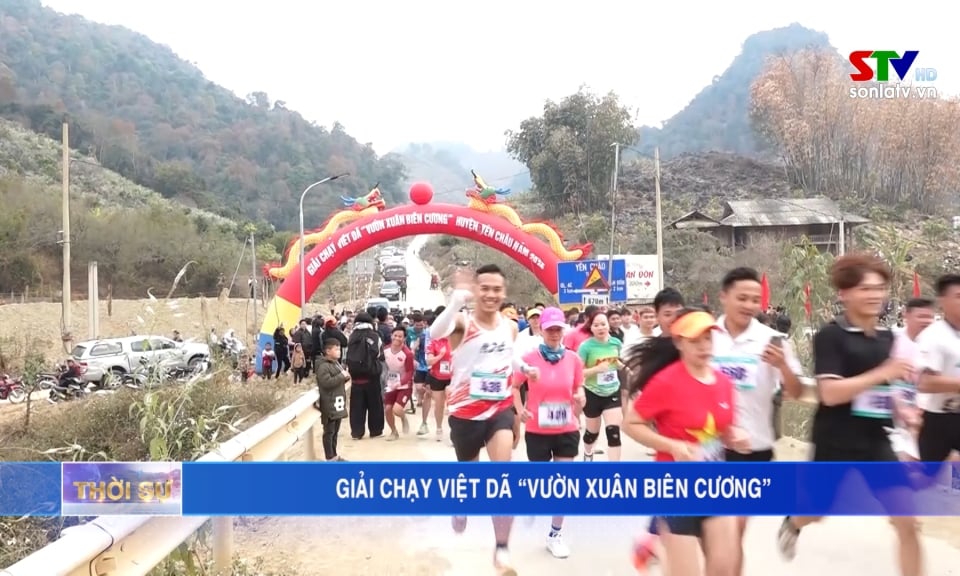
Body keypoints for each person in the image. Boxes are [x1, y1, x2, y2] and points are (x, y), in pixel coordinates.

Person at [776, 253, 922, 576]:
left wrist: (906, 412)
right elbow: (829, 394)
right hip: (835, 442)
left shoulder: (887, 339)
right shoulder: (831, 336)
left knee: (907, 520)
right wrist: (884, 371)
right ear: (844, 293)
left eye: (879, 288)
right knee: (817, 510)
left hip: (876, 442)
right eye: (864, 288)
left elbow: (885, 392)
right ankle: (794, 520)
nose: (874, 295)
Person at [623, 308, 749, 576]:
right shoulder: (666, 382)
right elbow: (631, 424)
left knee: (725, 569)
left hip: (716, 486)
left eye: (708, 339)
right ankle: (652, 545)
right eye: (695, 341)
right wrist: (673, 446)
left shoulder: (724, 383)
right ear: (679, 342)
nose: (704, 347)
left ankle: (649, 546)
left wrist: (734, 436)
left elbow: (721, 429)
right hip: (675, 489)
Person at [429, 264, 522, 576]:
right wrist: (455, 302)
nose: (491, 295)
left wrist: (519, 408)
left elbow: (508, 360)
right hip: (466, 413)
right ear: (477, 291)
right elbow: (434, 332)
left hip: (499, 410)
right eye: (485, 288)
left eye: (497, 289)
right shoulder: (461, 323)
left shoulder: (510, 327)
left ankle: (502, 550)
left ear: (504, 292)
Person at [712, 267, 803, 576]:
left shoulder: (772, 340)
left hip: (752, 447)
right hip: (706, 447)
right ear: (723, 297)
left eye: (755, 299)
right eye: (742, 298)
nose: (750, 305)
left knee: (732, 529)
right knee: (714, 533)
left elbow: (797, 391)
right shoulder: (704, 336)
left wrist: (783, 368)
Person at [518, 307, 585, 559]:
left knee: (563, 484)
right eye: (550, 329)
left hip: (567, 428)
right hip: (537, 429)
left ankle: (555, 534)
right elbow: (514, 386)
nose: (555, 334)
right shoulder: (529, 358)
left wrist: (580, 399)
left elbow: (580, 393)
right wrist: (519, 410)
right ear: (541, 330)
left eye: (559, 329)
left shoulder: (574, 359)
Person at [917, 275, 960, 463]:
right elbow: (925, 382)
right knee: (930, 483)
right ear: (942, 300)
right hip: (941, 420)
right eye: (958, 296)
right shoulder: (934, 336)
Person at [889, 297, 934, 460]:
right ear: (906, 315)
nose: (927, 321)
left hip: (925, 421)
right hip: (894, 422)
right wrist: (902, 410)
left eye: (930, 317)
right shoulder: (892, 341)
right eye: (921, 316)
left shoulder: (936, 346)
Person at [577, 311, 625, 462]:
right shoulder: (586, 347)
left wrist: (624, 368)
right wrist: (596, 370)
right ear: (591, 328)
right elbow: (578, 373)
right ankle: (588, 453)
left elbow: (616, 362)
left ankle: (614, 472)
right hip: (593, 393)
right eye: (596, 325)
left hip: (612, 392)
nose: (600, 328)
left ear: (608, 325)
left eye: (603, 324)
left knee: (613, 432)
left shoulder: (616, 343)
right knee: (592, 434)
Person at [345, 312, 385, 440]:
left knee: (356, 407)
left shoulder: (352, 337)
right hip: (371, 376)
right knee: (375, 405)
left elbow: (347, 356)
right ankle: (376, 430)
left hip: (356, 378)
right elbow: (379, 354)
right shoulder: (375, 336)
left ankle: (357, 432)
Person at [315, 338, 350, 462]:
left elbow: (339, 379)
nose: (339, 351)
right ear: (328, 351)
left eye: (339, 349)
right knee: (329, 432)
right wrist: (341, 376)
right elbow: (326, 382)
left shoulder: (336, 363)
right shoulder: (323, 366)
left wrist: (345, 377)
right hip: (329, 404)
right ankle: (329, 457)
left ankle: (334, 455)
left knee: (335, 431)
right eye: (336, 349)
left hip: (338, 403)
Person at [425, 319, 454, 442]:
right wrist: (440, 356)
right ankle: (439, 428)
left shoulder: (455, 341)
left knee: (452, 405)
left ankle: (454, 432)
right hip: (437, 377)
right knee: (439, 404)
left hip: (452, 377)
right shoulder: (434, 343)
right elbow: (429, 361)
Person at [383, 327, 414, 440]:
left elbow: (410, 371)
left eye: (400, 336)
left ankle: (403, 418)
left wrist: (401, 382)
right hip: (390, 384)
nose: (397, 338)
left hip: (404, 386)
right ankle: (393, 431)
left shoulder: (407, 354)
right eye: (395, 335)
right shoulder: (385, 350)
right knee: (387, 409)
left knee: (397, 409)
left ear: (404, 338)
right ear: (391, 336)